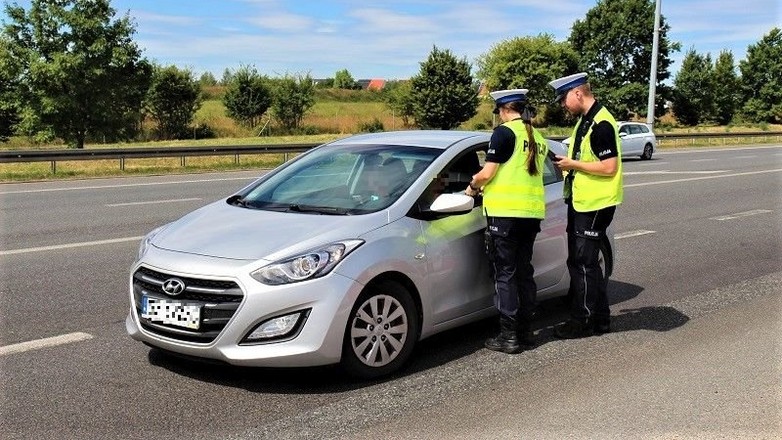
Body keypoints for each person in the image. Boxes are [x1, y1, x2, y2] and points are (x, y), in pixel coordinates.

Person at [465, 88, 548, 353]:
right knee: (524, 271)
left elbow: (487, 172)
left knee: (506, 274)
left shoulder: (504, 133)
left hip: (505, 216)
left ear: (503, 110)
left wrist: (472, 187)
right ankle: (525, 331)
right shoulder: (537, 136)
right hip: (531, 215)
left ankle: (508, 336)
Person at [547, 72, 623, 339]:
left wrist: (572, 165)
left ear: (578, 93)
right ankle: (600, 319)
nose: (562, 104)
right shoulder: (586, 121)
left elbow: (609, 166)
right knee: (585, 263)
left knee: (583, 263)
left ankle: (584, 321)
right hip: (584, 201)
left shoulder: (601, 124)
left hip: (595, 204)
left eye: (564, 98)